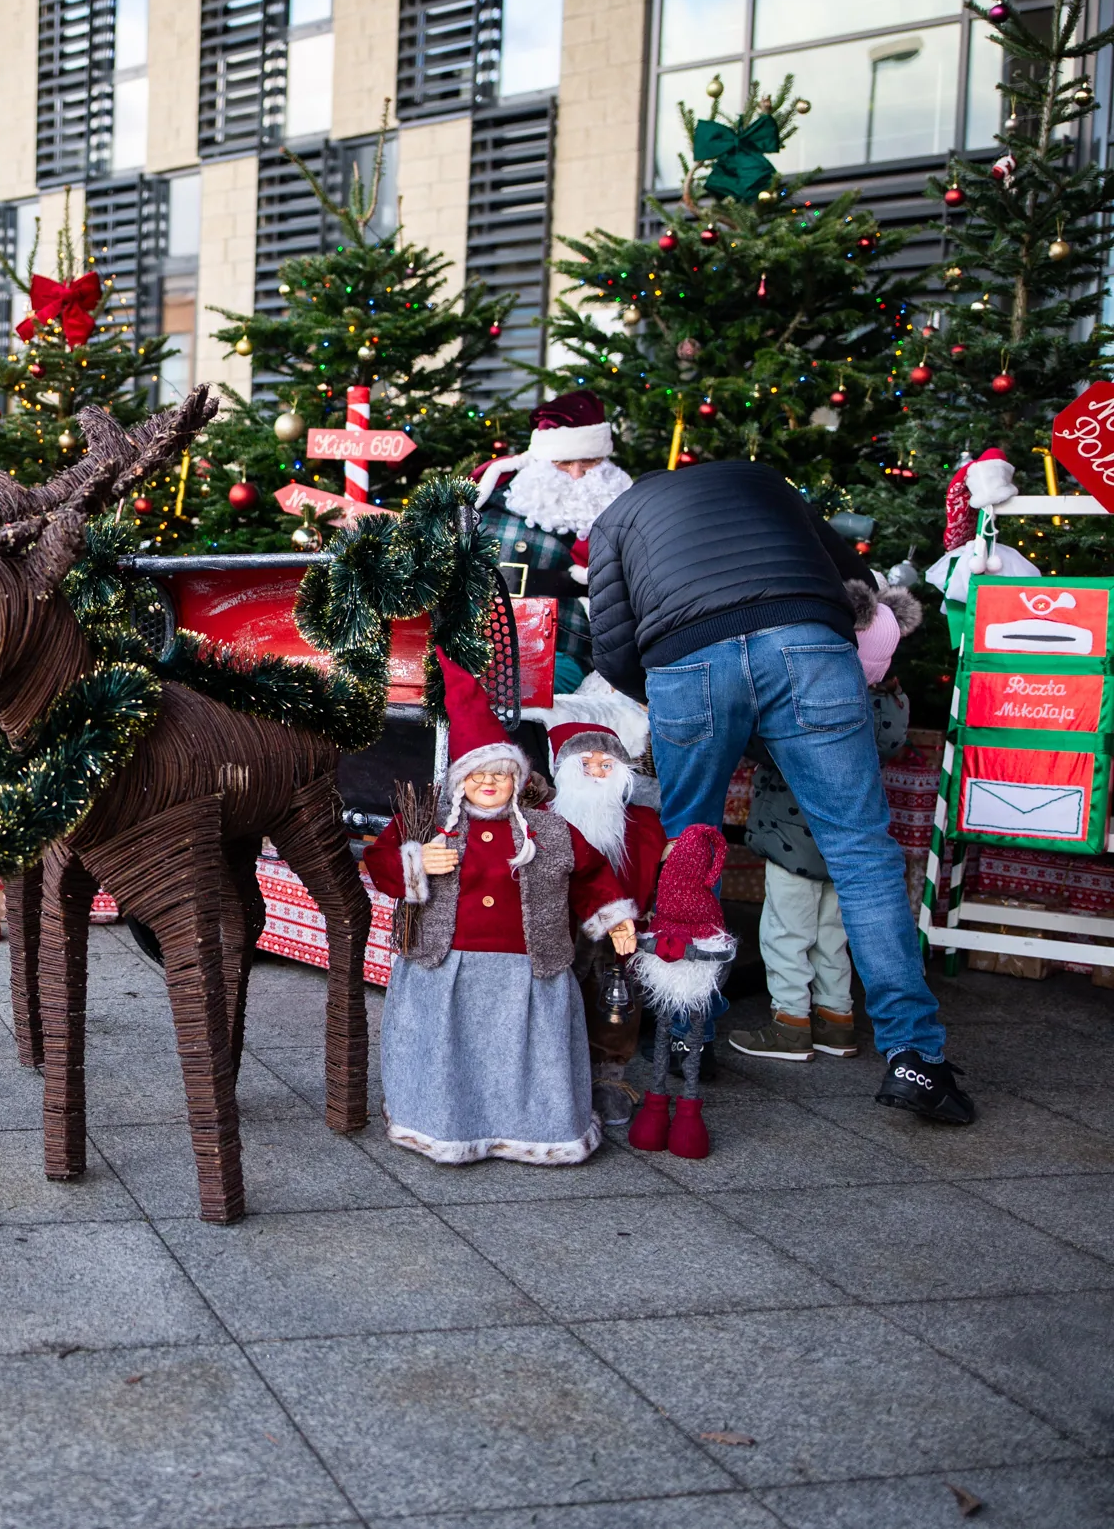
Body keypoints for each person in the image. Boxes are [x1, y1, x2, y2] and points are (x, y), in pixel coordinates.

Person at [585, 459, 975, 1125]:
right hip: (807, 642)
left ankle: (689, 1039)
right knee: (861, 853)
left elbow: (613, 647)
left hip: (687, 656)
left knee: (690, 851)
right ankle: (914, 1058)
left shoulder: (615, 518)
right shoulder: (767, 481)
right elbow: (857, 586)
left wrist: (672, 693)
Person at [363, 655, 639, 1166]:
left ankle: (536, 1129)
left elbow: (591, 874)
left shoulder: (548, 832)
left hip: (528, 970)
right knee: (453, 1053)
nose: (488, 783)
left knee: (526, 1057)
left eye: (500, 774)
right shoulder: (427, 824)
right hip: (447, 965)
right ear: (459, 779)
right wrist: (416, 860)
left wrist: (615, 918)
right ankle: (446, 1126)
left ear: (517, 778)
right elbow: (380, 864)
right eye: (477, 774)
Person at [733, 579, 922, 1063]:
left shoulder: (809, 699)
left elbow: (763, 746)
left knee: (785, 933)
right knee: (834, 935)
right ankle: (837, 1021)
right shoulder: (890, 706)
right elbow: (893, 745)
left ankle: (791, 1023)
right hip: (847, 844)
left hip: (791, 839)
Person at [471, 390, 635, 693]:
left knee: (525, 689)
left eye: (589, 463)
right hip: (481, 637)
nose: (576, 476)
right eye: (563, 464)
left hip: (566, 642)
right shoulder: (490, 503)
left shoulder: (620, 513)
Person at [546, 721, 667, 1126]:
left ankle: (609, 1077)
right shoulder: (544, 821)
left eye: (606, 765)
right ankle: (553, 1074)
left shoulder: (642, 823)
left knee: (615, 998)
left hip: (620, 930)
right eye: (586, 765)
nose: (598, 773)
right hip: (559, 927)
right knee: (554, 996)